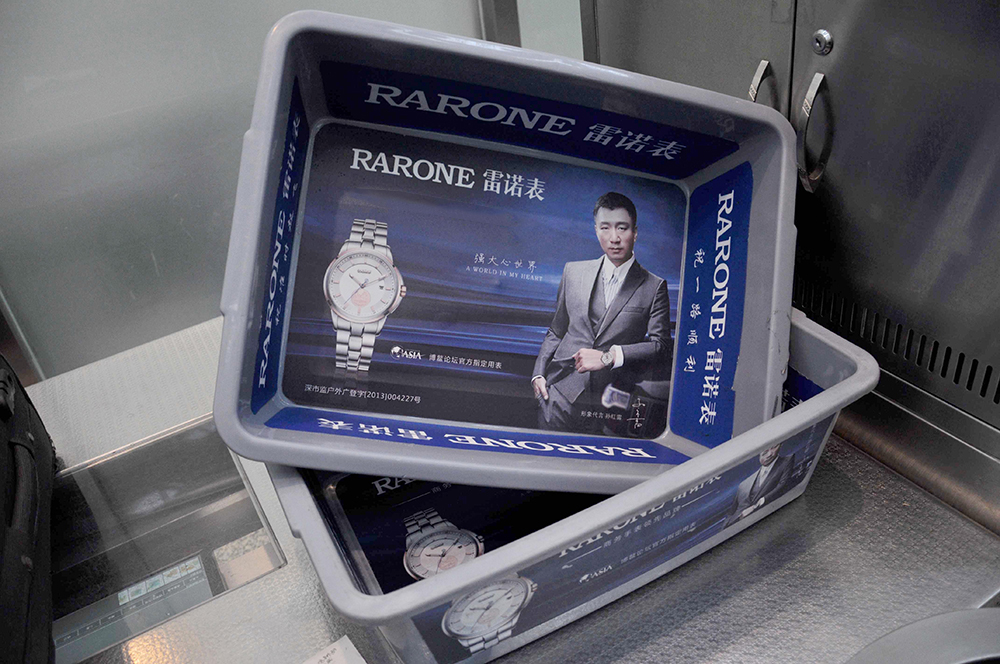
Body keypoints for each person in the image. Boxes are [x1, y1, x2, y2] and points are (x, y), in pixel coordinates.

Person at [531, 192, 672, 432]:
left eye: (622, 228)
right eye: (605, 228)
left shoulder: (654, 286)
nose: (614, 238)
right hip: (558, 395)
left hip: (612, 404)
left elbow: (661, 346)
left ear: (635, 232)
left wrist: (610, 356)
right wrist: (538, 373)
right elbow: (557, 330)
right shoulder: (572, 272)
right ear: (596, 230)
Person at [724, 443, 794, 527]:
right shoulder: (743, 485)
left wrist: (756, 506)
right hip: (735, 524)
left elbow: (782, 486)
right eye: (765, 449)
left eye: (774, 447)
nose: (769, 454)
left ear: (780, 445)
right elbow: (731, 512)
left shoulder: (786, 461)